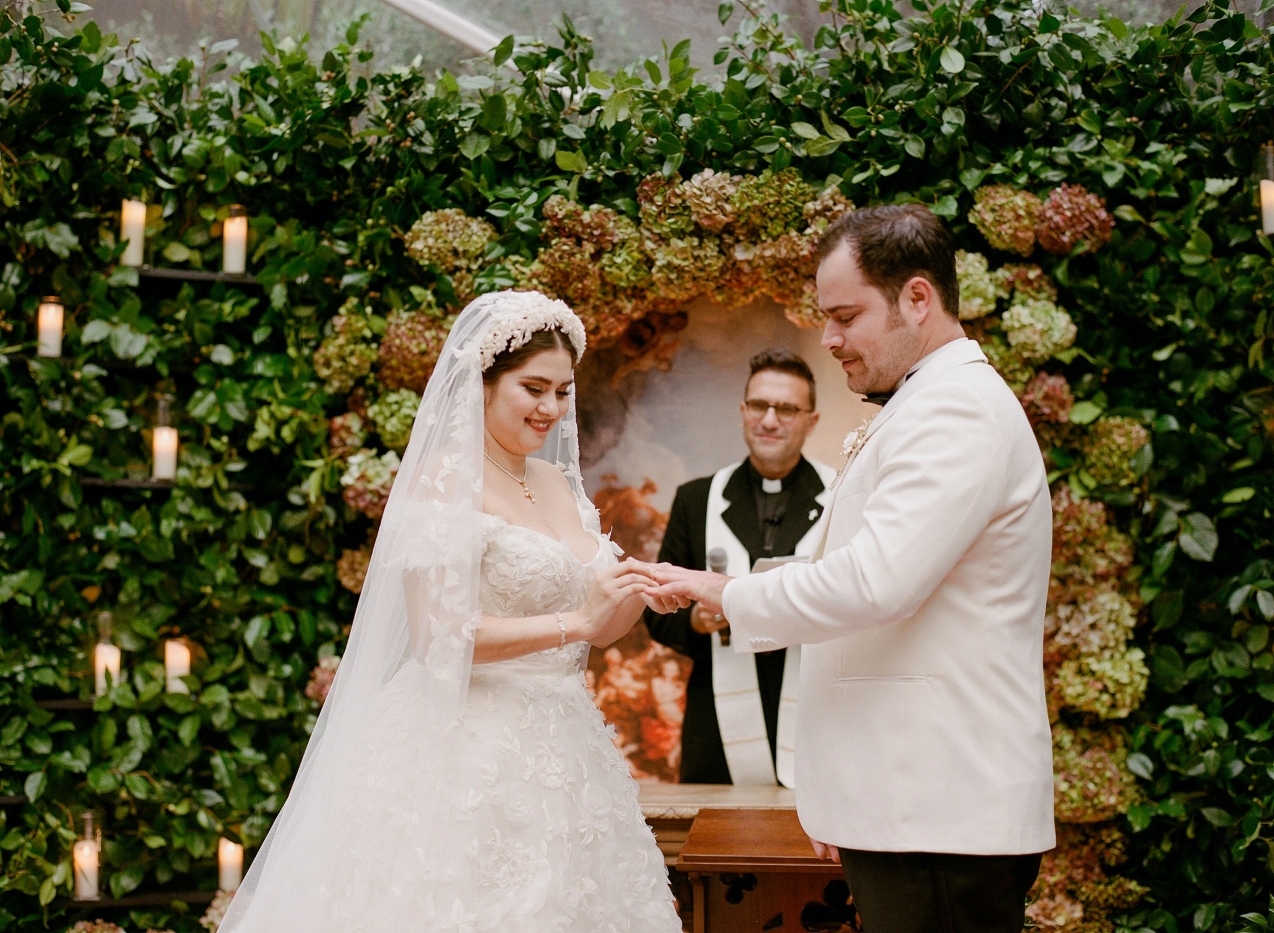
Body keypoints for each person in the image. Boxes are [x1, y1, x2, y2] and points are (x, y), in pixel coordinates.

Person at [644, 204, 1055, 933]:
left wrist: (725, 590)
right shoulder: (925, 402)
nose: (828, 337)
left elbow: (875, 582)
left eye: (844, 315)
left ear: (918, 299)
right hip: (906, 805)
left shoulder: (954, 409)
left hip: (935, 806)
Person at [220, 291, 682, 933]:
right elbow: (442, 637)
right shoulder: (444, 481)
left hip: (566, 743)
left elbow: (599, 627)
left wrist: (633, 594)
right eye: (534, 388)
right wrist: (576, 623)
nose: (551, 408)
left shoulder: (555, 483)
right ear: (484, 385)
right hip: (464, 743)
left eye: (562, 391)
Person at [644, 348, 836, 786]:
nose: (769, 420)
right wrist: (694, 618)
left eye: (787, 408)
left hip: (817, 716)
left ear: (812, 420)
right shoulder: (696, 500)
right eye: (759, 406)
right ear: (743, 410)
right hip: (716, 723)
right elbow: (654, 613)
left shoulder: (841, 495)